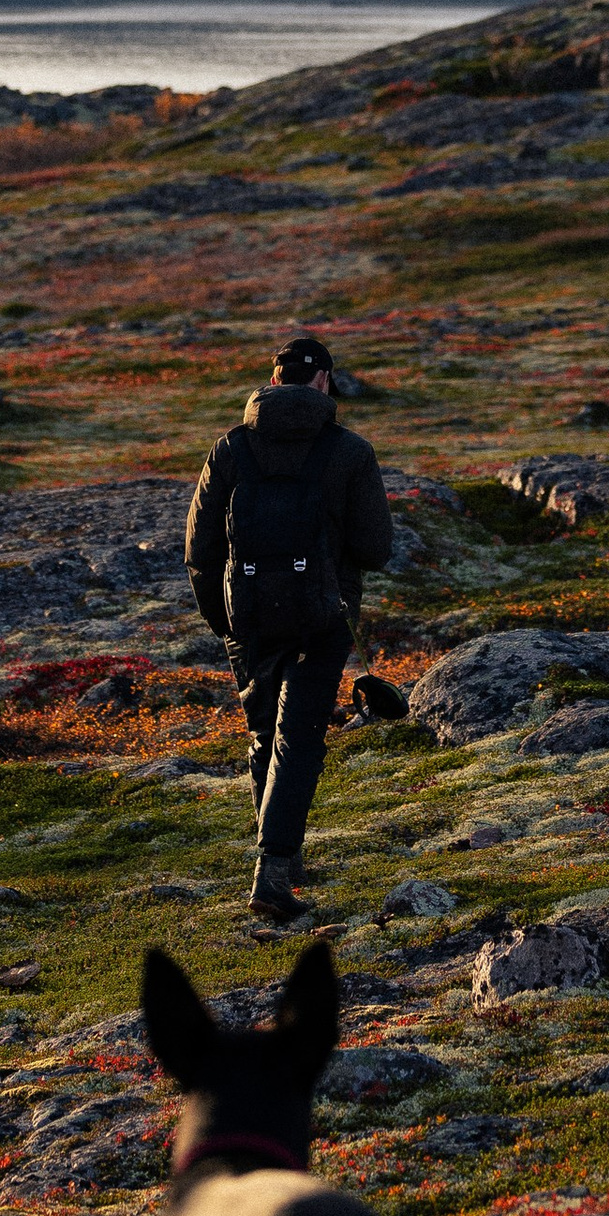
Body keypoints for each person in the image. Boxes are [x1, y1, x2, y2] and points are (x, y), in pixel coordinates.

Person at [185, 329, 394, 923]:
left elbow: (199, 552)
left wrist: (225, 621)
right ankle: (273, 874)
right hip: (323, 619)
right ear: (325, 382)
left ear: (274, 380)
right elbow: (376, 548)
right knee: (298, 738)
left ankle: (283, 860)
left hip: (246, 619)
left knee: (264, 736)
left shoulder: (230, 448)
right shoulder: (349, 451)